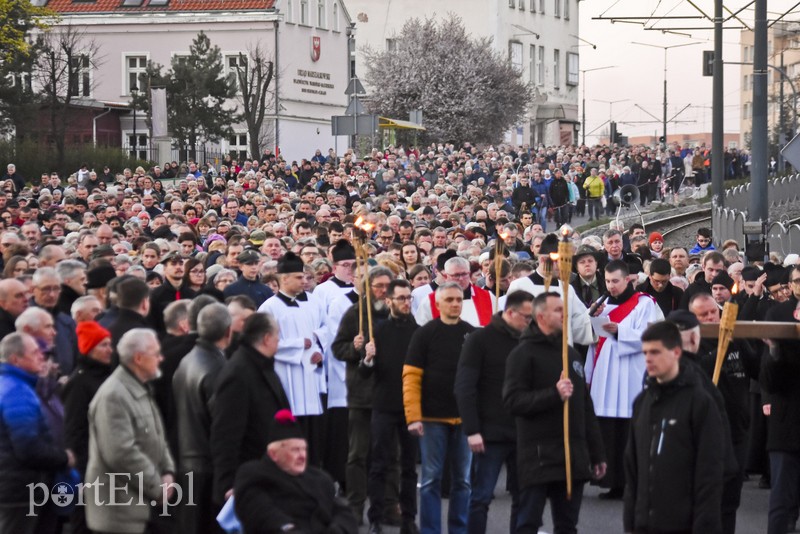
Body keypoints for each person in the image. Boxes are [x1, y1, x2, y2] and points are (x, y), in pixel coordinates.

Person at [503, 293, 606, 534]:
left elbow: (584, 407)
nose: (564, 314)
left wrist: (598, 452)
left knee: (567, 525)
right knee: (528, 522)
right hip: (537, 454)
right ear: (540, 316)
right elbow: (513, 401)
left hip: (573, 454)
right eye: (558, 310)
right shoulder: (522, 354)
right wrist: (553, 394)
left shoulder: (570, 354)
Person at [624, 321, 724, 534]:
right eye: (645, 353)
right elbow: (633, 469)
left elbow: (709, 473)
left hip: (682, 523)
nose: (648, 359)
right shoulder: (642, 402)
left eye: (655, 352)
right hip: (644, 523)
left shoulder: (699, 402)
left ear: (676, 352)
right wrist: (630, 521)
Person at [454, 290, 534, 534]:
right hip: (490, 431)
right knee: (481, 497)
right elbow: (465, 386)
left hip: (523, 431)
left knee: (524, 498)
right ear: (510, 312)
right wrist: (472, 430)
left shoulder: (530, 340)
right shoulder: (480, 340)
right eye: (527, 317)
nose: (531, 323)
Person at [585, 260, 664, 499]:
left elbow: (655, 337)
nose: (611, 287)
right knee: (608, 431)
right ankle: (612, 482)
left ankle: (634, 483)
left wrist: (621, 331)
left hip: (631, 374)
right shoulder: (602, 306)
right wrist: (590, 319)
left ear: (627, 279)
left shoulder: (644, 304)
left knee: (630, 431)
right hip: (606, 376)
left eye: (615, 281)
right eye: (607, 282)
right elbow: (588, 337)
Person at [84, 328, 176, 534]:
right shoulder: (114, 396)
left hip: (141, 505)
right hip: (120, 513)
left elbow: (158, 435)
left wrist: (168, 471)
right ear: (139, 358)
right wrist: (156, 484)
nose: (161, 358)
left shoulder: (140, 387)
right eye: (156, 353)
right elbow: (120, 452)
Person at [403, 282, 475, 534]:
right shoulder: (424, 334)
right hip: (431, 418)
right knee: (432, 479)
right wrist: (413, 416)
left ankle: (459, 529)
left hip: (464, 418)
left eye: (458, 299)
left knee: (463, 481)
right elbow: (411, 377)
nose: (455, 303)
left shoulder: (471, 334)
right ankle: (430, 530)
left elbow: (481, 379)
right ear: (437, 303)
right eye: (449, 300)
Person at [233, 409, 358, 534]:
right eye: (295, 450)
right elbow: (263, 514)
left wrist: (337, 530)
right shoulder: (255, 475)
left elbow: (343, 511)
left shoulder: (320, 478)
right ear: (273, 454)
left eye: (304, 449)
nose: (302, 455)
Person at [210, 312, 290, 505]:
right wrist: (228, 483)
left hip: (268, 472)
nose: (280, 340)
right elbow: (226, 434)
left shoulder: (261, 366)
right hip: (249, 476)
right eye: (278, 335)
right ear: (266, 338)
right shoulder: (239, 373)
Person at [360, 279, 420, 534]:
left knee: (409, 467)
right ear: (389, 301)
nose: (406, 303)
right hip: (384, 404)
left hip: (411, 407)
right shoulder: (379, 331)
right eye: (401, 298)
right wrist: (368, 357)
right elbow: (364, 373)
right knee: (379, 464)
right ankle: (375, 517)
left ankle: (408, 518)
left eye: (409, 298)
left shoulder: (419, 331)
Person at [0, 332, 75, 533]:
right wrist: (64, 458)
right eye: (34, 353)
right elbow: (28, 447)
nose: (41, 356)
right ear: (16, 359)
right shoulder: (17, 391)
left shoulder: (14, 385)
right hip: (20, 490)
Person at [258, 251, 326, 465]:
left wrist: (319, 352)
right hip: (287, 378)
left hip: (310, 378)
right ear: (283, 279)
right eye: (298, 277)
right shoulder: (270, 307)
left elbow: (324, 330)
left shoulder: (310, 304)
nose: (304, 281)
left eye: (305, 277)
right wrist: (298, 345)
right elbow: (263, 344)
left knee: (313, 435)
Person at [172, 303, 232, 534]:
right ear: (228, 332)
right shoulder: (217, 368)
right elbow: (223, 425)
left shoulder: (188, 360)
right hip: (207, 468)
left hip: (187, 461)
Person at [507, 234, 593, 347]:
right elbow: (510, 324)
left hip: (561, 353)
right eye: (557, 260)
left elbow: (577, 325)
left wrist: (592, 312)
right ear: (543, 259)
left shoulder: (567, 288)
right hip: (530, 353)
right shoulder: (519, 286)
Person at [414, 256, 496, 328]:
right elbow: (421, 330)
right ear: (446, 276)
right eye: (456, 275)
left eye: (464, 274)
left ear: (469, 273)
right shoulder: (431, 301)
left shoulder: (487, 297)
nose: (461, 279)